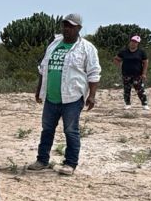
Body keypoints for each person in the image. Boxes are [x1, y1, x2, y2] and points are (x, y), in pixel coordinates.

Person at [27, 13, 101, 175]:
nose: (67, 29)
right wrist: (39, 89)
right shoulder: (54, 44)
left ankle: (70, 163)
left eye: (71, 26)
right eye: (65, 25)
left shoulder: (87, 48)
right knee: (47, 129)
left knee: (71, 131)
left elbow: (94, 73)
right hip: (51, 97)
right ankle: (42, 160)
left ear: (79, 28)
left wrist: (92, 95)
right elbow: (43, 68)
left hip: (72, 98)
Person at [113, 35, 149, 110]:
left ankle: (144, 104)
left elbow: (145, 62)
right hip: (126, 74)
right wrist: (119, 65)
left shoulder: (141, 52)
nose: (133, 43)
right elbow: (116, 59)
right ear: (130, 42)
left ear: (138, 43)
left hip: (137, 74)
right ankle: (127, 104)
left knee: (140, 90)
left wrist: (144, 73)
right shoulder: (124, 51)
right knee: (127, 90)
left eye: (135, 42)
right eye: (132, 41)